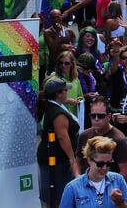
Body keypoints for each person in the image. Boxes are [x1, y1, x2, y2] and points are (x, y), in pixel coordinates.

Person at [38, 78, 82, 206]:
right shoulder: (58, 114)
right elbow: (63, 137)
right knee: (58, 197)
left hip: (51, 157)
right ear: (58, 94)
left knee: (53, 196)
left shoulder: (51, 106)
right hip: (57, 160)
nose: (67, 93)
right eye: (65, 91)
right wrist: (72, 159)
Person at [60, 135, 127, 208]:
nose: (104, 168)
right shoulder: (73, 187)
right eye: (100, 164)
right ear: (89, 160)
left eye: (108, 163)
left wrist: (120, 202)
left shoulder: (118, 180)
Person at [79, 96, 127, 182]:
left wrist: (105, 186)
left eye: (100, 116)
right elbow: (77, 162)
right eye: (93, 116)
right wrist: (78, 178)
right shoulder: (84, 136)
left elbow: (126, 173)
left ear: (109, 116)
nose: (96, 119)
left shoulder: (119, 139)